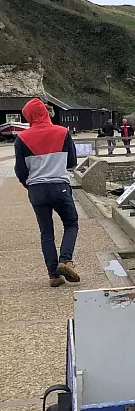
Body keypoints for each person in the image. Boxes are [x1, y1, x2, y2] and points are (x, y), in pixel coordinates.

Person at [14, 98, 81, 287]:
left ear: (28, 116)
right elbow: (71, 162)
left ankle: (53, 275)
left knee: (46, 231)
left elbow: (20, 170)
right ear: (45, 112)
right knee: (71, 223)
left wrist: (29, 185)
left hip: (36, 189)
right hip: (59, 186)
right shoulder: (62, 132)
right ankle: (65, 260)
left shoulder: (22, 138)